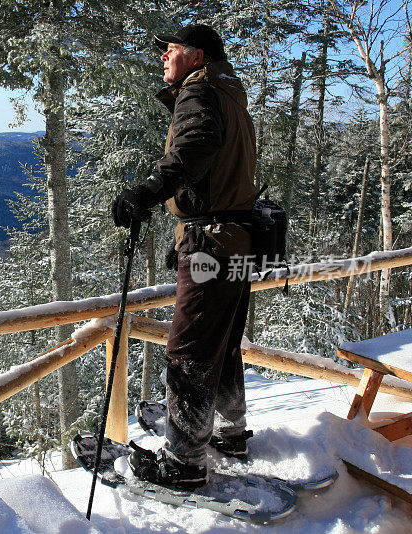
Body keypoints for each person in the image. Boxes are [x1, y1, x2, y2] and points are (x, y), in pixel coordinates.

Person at [111, 24, 257, 490]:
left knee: (189, 350)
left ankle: (184, 462)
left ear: (195, 56)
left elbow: (193, 149)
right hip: (240, 237)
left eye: (170, 50)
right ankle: (230, 433)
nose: (163, 58)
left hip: (210, 243)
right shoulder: (230, 91)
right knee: (222, 342)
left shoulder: (200, 93)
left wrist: (147, 192)